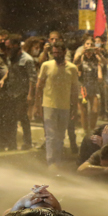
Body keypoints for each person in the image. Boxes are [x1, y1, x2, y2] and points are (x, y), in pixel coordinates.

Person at [32, 38, 80, 167]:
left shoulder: (72, 68)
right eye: (54, 53)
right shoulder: (46, 66)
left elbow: (75, 89)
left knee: (60, 136)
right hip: (49, 105)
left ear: (64, 52)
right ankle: (51, 161)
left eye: (59, 53)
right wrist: (37, 105)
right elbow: (39, 86)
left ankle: (58, 160)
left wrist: (75, 106)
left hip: (64, 106)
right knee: (51, 135)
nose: (57, 55)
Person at [0, 35, 38, 151]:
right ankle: (12, 143)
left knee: (23, 117)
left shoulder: (27, 59)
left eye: (10, 47)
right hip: (11, 92)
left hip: (22, 93)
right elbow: (10, 70)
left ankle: (27, 142)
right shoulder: (12, 57)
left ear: (16, 46)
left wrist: (30, 95)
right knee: (11, 118)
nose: (8, 49)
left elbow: (32, 78)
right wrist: (3, 79)